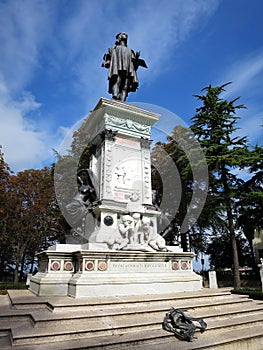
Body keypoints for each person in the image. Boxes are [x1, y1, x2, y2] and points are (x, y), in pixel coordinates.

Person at [102, 32, 147, 102]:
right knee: (117, 81)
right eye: (123, 34)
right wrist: (106, 62)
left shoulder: (130, 51)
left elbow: (134, 66)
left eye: (126, 35)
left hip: (128, 69)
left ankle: (122, 100)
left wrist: (137, 60)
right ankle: (115, 97)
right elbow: (109, 59)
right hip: (117, 68)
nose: (125, 35)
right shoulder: (114, 48)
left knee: (125, 85)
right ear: (119, 37)